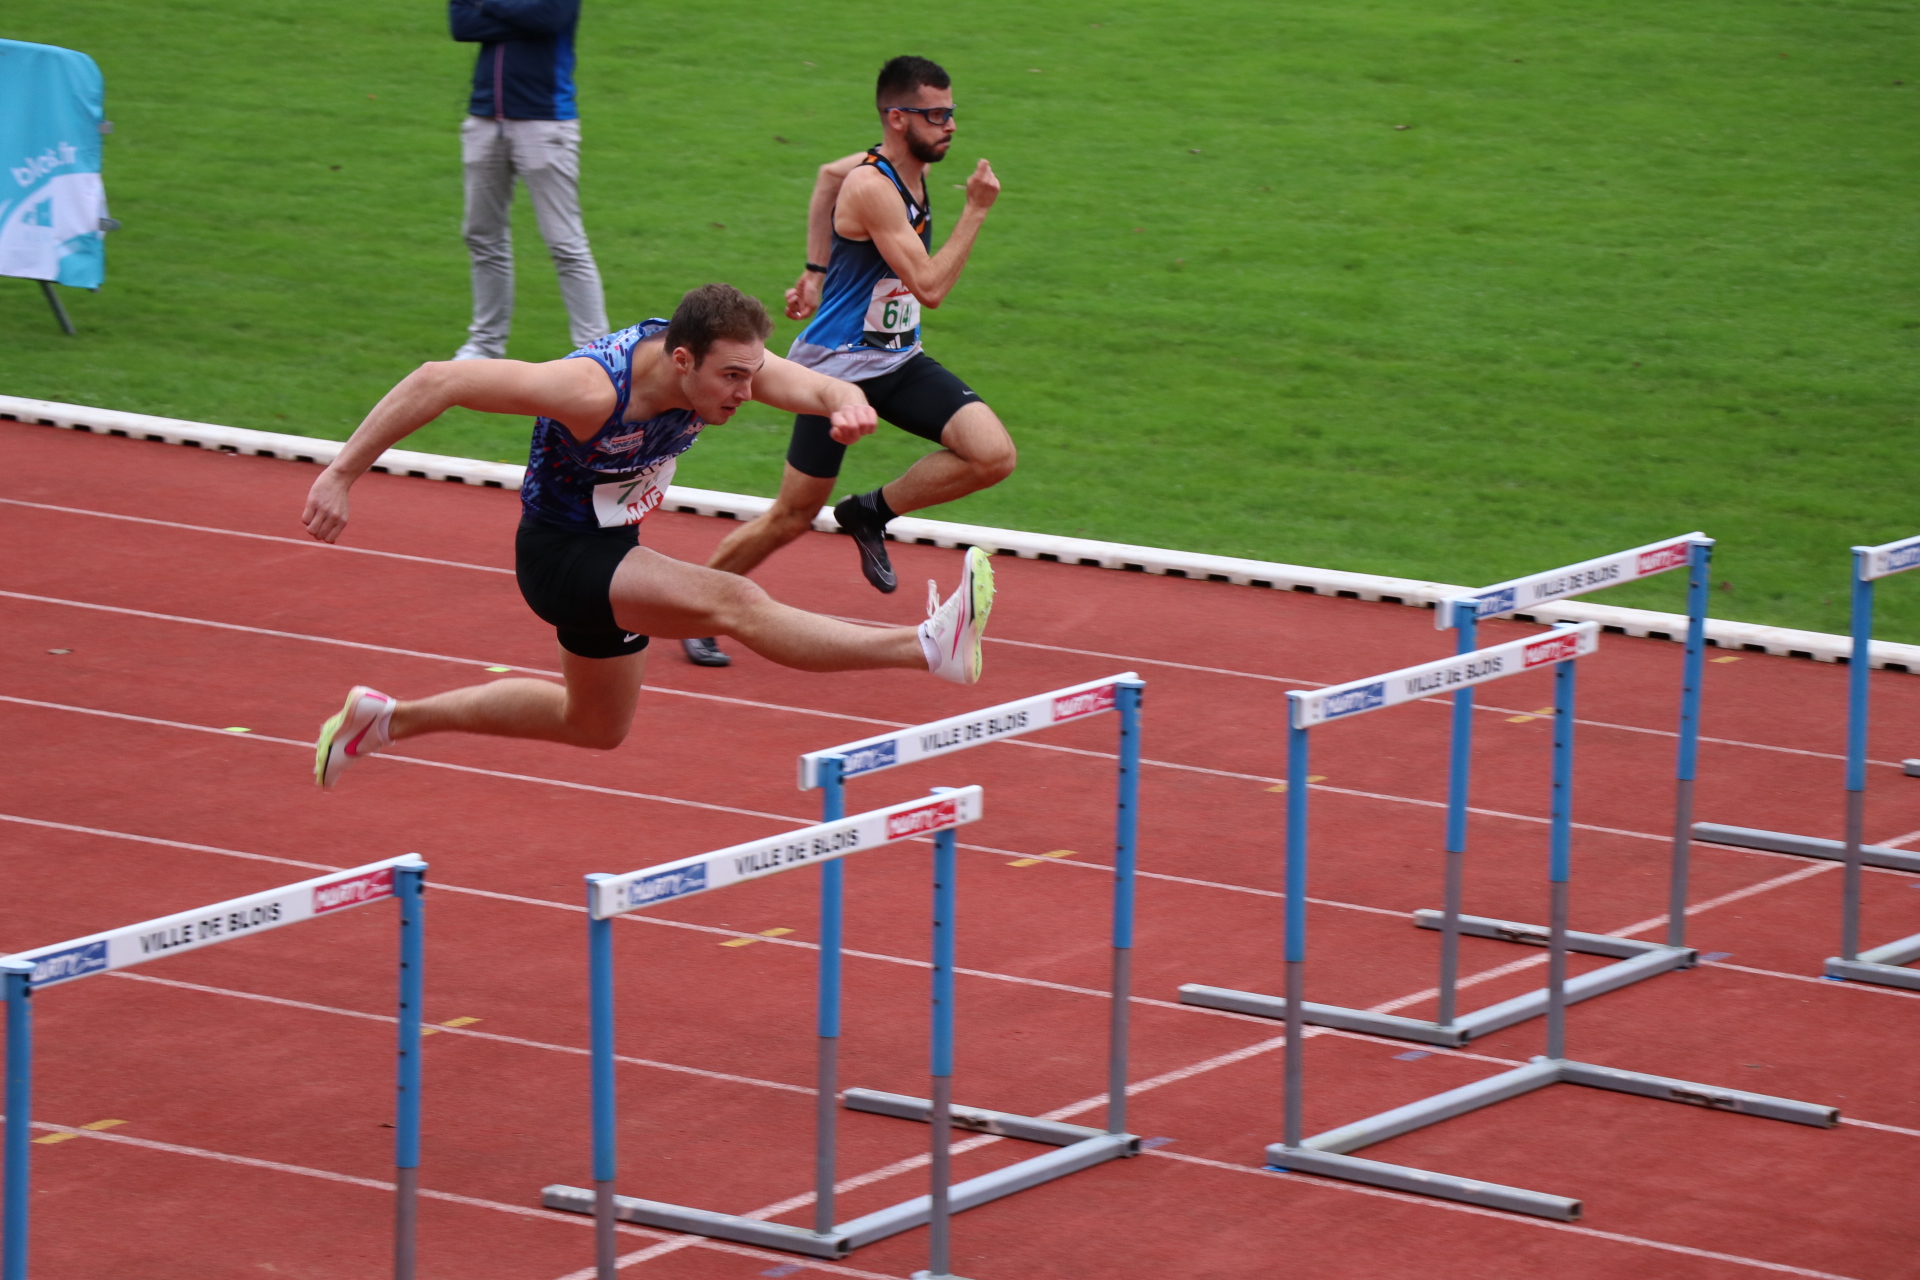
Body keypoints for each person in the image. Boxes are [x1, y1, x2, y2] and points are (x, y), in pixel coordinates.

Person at [302, 284, 995, 789]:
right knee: (735, 601)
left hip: (615, 549)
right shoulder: (591, 392)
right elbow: (439, 380)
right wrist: (340, 473)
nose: (744, 393)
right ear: (682, 360)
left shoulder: (726, 364)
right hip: (560, 555)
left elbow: (815, 388)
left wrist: (847, 402)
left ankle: (387, 720)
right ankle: (926, 648)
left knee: (593, 724)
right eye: (731, 379)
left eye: (751, 375)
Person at [680, 55, 1011, 669]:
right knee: (792, 515)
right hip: (833, 371)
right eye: (936, 115)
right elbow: (930, 287)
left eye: (951, 113)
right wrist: (976, 210)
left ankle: (869, 512)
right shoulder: (872, 186)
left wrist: (815, 269)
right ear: (897, 118)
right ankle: (695, 606)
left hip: (897, 359)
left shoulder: (898, 168)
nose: (950, 126)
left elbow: (825, 175)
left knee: (993, 454)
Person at [448, 0, 610, 359]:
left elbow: (546, 19)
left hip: (545, 123)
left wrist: (487, 5)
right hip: (484, 120)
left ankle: (597, 352)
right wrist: (519, 18)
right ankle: (485, 345)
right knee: (481, 236)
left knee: (564, 242)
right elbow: (461, 25)